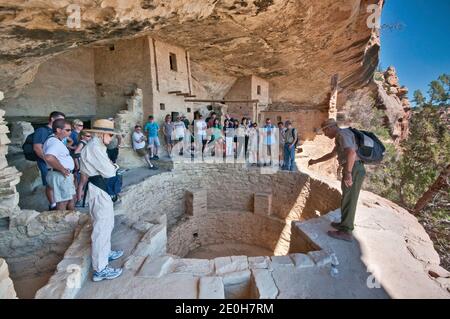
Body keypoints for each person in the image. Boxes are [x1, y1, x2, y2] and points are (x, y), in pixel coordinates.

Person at [308, 119, 365, 242]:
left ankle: (346, 231)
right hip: (352, 168)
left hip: (353, 168)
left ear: (329, 128)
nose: (325, 134)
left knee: (350, 199)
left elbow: (351, 153)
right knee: (346, 197)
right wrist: (315, 161)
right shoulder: (340, 136)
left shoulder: (342, 134)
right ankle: (344, 224)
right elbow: (331, 155)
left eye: (325, 131)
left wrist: (348, 173)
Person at [80, 119, 124, 282]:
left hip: (99, 188)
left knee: (107, 223)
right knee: (101, 228)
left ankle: (105, 253)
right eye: (110, 134)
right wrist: (115, 168)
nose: (111, 137)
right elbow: (109, 172)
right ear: (100, 133)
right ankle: (100, 269)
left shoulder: (96, 146)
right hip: (99, 189)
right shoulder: (95, 148)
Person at [33, 111, 66, 210]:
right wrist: (49, 161)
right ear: (52, 119)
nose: (62, 122)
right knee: (50, 184)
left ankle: (59, 204)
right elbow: (37, 148)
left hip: (56, 163)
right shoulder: (42, 131)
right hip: (46, 163)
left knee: (57, 182)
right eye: (60, 119)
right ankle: (53, 205)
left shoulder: (55, 132)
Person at [43, 119, 76, 210]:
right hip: (60, 174)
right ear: (58, 130)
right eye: (68, 130)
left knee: (70, 199)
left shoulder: (56, 141)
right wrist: (62, 169)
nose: (70, 132)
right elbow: (49, 157)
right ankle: (61, 223)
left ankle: (71, 220)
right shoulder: (54, 142)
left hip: (60, 174)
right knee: (63, 201)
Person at [74, 130, 92, 207]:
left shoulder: (84, 143)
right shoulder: (82, 143)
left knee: (83, 183)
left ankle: (81, 199)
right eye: (88, 136)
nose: (90, 137)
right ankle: (79, 200)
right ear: (82, 136)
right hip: (83, 166)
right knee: (81, 183)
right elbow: (76, 153)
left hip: (84, 165)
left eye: (90, 136)